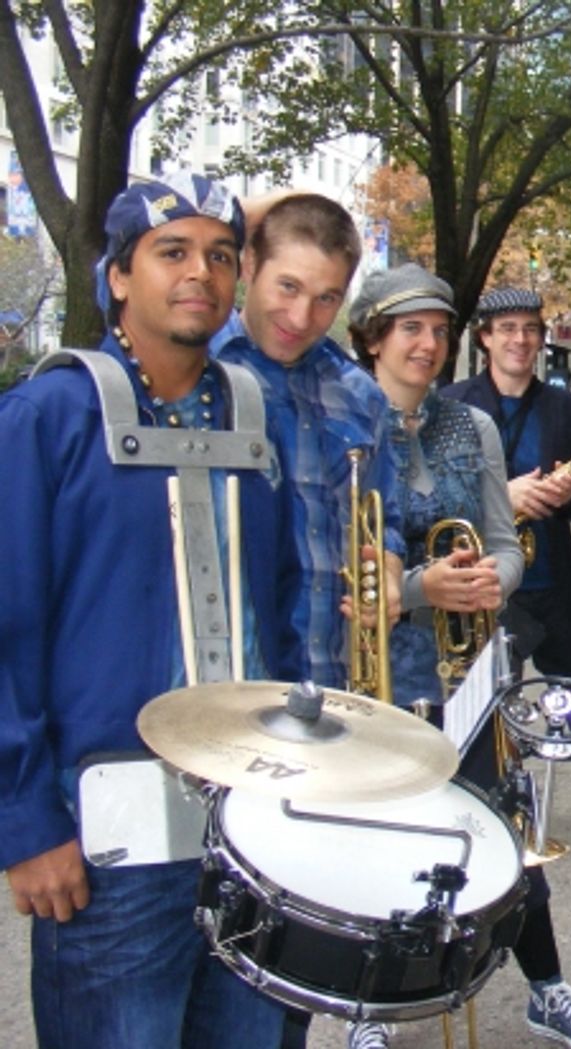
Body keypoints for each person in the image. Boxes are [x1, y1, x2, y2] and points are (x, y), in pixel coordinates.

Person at [0, 173, 292, 1047]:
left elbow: (278, 609)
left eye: (221, 255)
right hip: (108, 844)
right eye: (173, 252)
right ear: (119, 276)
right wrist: (24, 822)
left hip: (253, 832)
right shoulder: (48, 415)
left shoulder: (253, 415)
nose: (201, 271)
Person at [348, 265, 571, 1049]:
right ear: (373, 339)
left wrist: (490, 579)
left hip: (468, 668)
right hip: (378, 672)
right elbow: (337, 570)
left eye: (439, 330)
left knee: (503, 825)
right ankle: (371, 1007)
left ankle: (548, 989)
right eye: (411, 329)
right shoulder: (344, 429)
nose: (428, 344)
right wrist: (421, 587)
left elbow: (505, 543)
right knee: (385, 834)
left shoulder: (473, 428)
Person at [211, 192, 405, 1049]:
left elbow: (380, 515)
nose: (302, 315)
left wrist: (388, 558)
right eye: (286, 286)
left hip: (320, 697)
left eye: (326, 297)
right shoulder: (200, 373)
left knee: (284, 953)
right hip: (215, 706)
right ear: (249, 267)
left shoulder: (358, 393)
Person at [442, 288, 571, 840]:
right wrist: (500, 498)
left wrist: (569, 494)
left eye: (530, 329)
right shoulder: (452, 405)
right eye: (508, 329)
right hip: (484, 583)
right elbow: (436, 498)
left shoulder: (562, 407)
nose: (520, 340)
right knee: (482, 703)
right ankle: (484, 803)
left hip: (553, 579)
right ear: (485, 338)